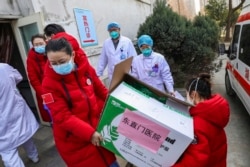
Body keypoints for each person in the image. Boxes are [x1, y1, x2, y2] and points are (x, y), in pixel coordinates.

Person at [42, 38, 119, 167]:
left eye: (62, 61)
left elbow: (101, 90)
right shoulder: (48, 85)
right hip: (74, 140)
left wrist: (117, 105)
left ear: (72, 55)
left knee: (111, 162)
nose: (58, 66)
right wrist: (89, 133)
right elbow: (62, 116)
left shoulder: (86, 69)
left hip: (98, 130)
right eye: (53, 63)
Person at [172, 73, 230, 167]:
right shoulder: (213, 113)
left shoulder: (198, 124)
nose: (186, 98)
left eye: (186, 95)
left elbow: (195, 162)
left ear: (193, 94)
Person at [0, 63, 39, 167]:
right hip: (14, 108)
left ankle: (33, 156)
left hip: (5, 118)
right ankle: (34, 156)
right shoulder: (4, 67)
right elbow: (18, 77)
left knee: (7, 150)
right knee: (24, 134)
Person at [26, 34, 51, 122]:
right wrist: (45, 96)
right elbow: (34, 80)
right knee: (52, 117)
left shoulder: (52, 53)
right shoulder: (31, 58)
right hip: (44, 93)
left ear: (46, 42)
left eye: (40, 43)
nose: (38, 46)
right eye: (36, 45)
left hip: (58, 89)